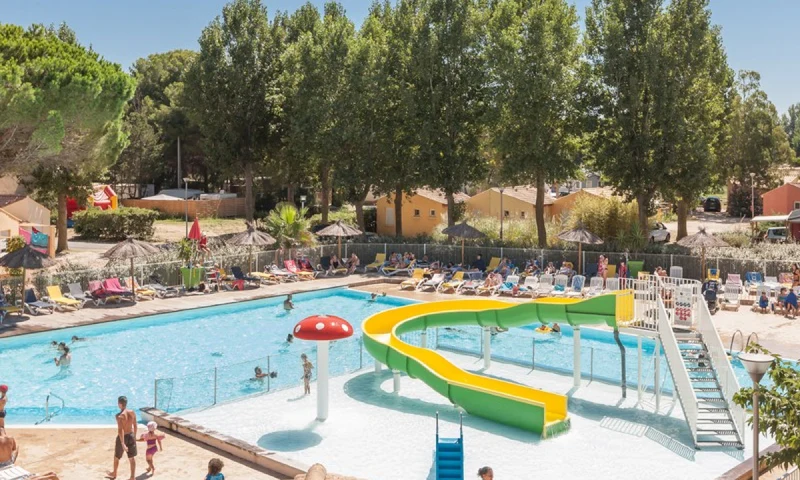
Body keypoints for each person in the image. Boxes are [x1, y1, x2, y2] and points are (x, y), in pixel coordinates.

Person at [108, 396, 137, 480]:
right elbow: (135, 425)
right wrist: (134, 436)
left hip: (123, 437)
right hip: (131, 435)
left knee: (116, 456)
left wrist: (123, 443)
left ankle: (114, 473)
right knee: (131, 458)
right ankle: (132, 477)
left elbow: (120, 430)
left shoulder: (119, 416)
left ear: (120, 404)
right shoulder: (132, 412)